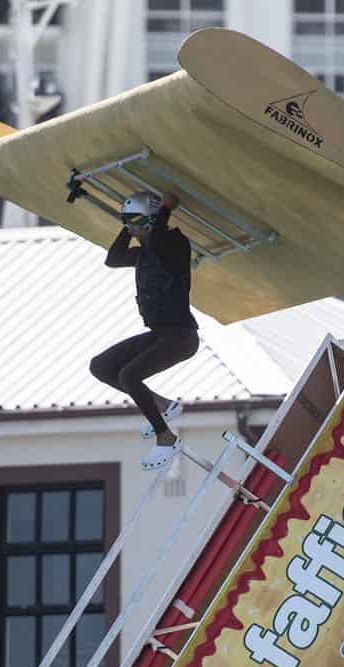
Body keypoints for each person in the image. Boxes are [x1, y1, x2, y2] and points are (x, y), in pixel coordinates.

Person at [92, 189, 198, 470]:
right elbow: (113, 259)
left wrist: (164, 210)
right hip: (160, 335)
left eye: (136, 222)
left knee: (129, 375)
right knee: (101, 367)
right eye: (127, 223)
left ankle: (166, 437)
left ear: (152, 221)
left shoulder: (174, 245)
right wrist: (129, 226)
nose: (132, 229)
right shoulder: (145, 254)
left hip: (181, 337)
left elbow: (159, 242)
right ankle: (163, 406)